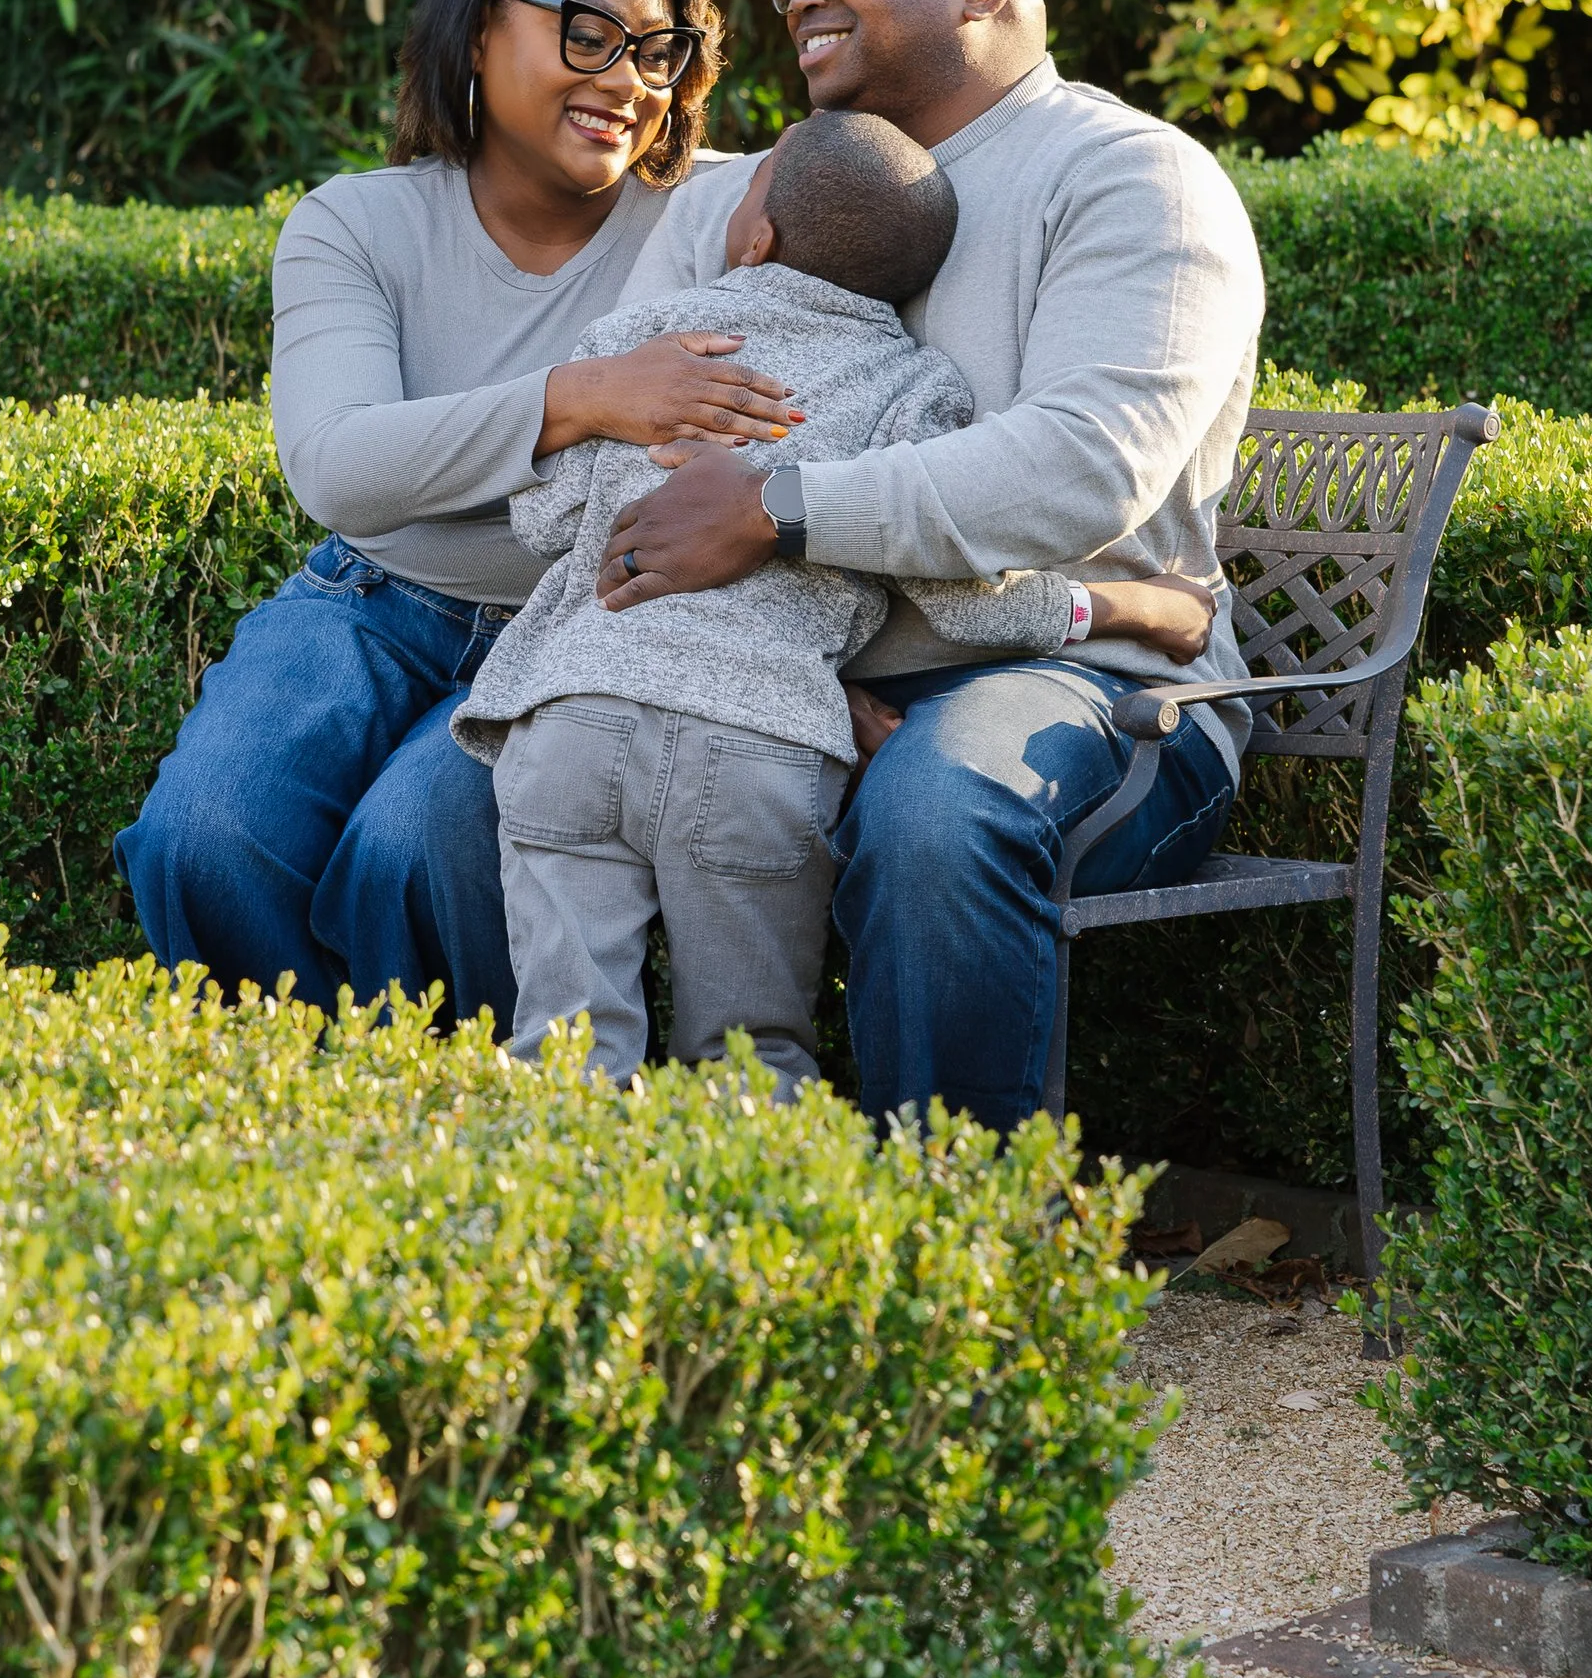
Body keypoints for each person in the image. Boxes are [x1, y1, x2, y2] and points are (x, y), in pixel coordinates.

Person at [339, 0, 1266, 1129]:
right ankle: (517, 1230)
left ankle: (952, 1256)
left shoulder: (1130, 179)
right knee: (426, 813)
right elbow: (624, 446)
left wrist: (779, 508)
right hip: (746, 667)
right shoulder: (768, 185)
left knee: (941, 803)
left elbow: (1082, 472)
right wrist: (785, 656)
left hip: (1087, 684)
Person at [114, 0, 805, 1008]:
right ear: (479, 28)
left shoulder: (722, 214)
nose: (625, 81)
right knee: (204, 838)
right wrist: (581, 396)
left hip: (584, 626)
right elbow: (340, 465)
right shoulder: (357, 221)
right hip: (368, 602)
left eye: (657, 49)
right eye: (587, 34)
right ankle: (307, 1120)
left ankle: (448, 1135)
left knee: (413, 850)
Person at [457, 111, 1216, 1092]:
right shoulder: (912, 389)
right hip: (755, 748)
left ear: (757, 232)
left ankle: (578, 1243)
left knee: (563, 1047)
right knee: (748, 1057)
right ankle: (764, 1237)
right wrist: (1116, 609)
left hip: (571, 718)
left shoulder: (647, 340)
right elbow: (968, 608)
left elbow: (545, 519)